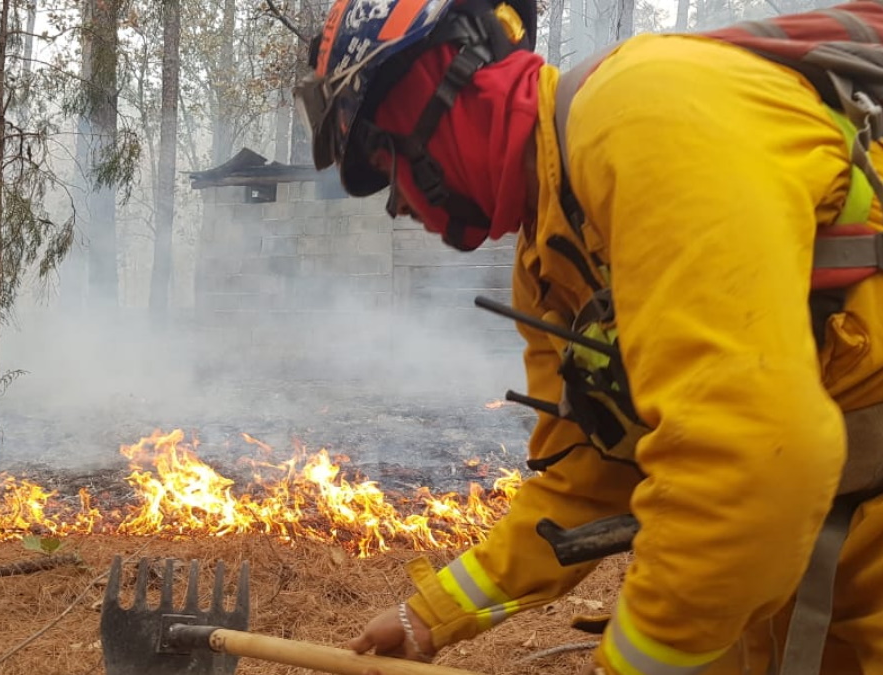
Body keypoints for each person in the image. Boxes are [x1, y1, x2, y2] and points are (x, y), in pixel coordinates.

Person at [293, 0, 883, 673]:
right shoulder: (548, 255)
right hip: (801, 579)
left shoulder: (645, 115)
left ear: (443, 89)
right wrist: (425, 618)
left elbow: (753, 456)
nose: (398, 202)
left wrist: (630, 664)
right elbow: (589, 475)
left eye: (384, 161)